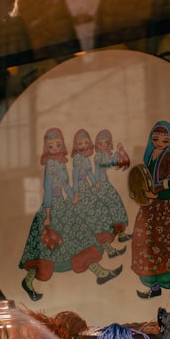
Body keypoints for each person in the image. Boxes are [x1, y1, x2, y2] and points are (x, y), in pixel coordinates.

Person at [19, 128, 121, 301]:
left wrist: (73, 195)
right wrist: (49, 214)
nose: (56, 148)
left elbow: (65, 184)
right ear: (47, 148)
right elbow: (49, 190)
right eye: (51, 146)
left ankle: (100, 272)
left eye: (58, 144)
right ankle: (28, 282)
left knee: (81, 238)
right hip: (53, 207)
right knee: (49, 251)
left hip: (62, 204)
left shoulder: (59, 163)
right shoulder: (51, 165)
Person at [131, 120, 170, 306]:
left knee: (164, 247)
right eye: (156, 139)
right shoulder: (149, 158)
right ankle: (154, 286)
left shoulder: (168, 161)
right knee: (144, 246)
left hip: (160, 211)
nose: (159, 143)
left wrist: (156, 195)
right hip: (147, 208)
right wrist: (138, 192)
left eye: (164, 141)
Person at [71, 128, 124, 258]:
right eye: (80, 144)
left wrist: (95, 182)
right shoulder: (78, 158)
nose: (83, 146)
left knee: (101, 215)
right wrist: (76, 193)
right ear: (76, 146)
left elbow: (89, 173)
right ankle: (108, 249)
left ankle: (110, 249)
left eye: (85, 143)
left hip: (88, 188)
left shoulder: (86, 159)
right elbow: (75, 176)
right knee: (94, 220)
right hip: (81, 190)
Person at [92, 129, 131, 244]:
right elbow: (107, 163)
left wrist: (118, 152)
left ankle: (120, 233)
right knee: (111, 206)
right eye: (101, 143)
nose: (103, 145)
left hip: (105, 182)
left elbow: (113, 162)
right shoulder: (99, 156)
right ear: (97, 145)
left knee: (116, 205)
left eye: (106, 143)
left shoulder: (105, 154)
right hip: (100, 183)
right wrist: (116, 155)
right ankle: (114, 233)